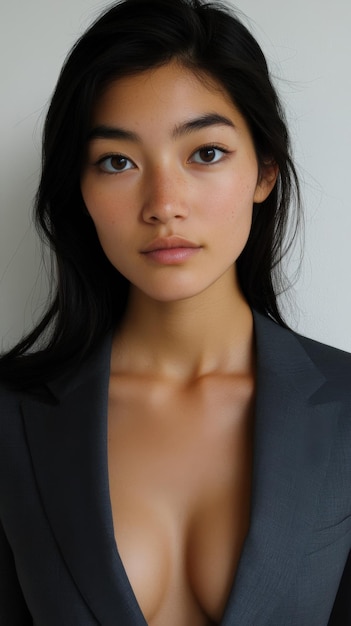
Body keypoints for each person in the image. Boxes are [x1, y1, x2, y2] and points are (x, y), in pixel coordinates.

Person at [0, 0, 350, 624]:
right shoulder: (10, 419)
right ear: (78, 188)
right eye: (117, 161)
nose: (164, 204)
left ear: (265, 168)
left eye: (205, 153)